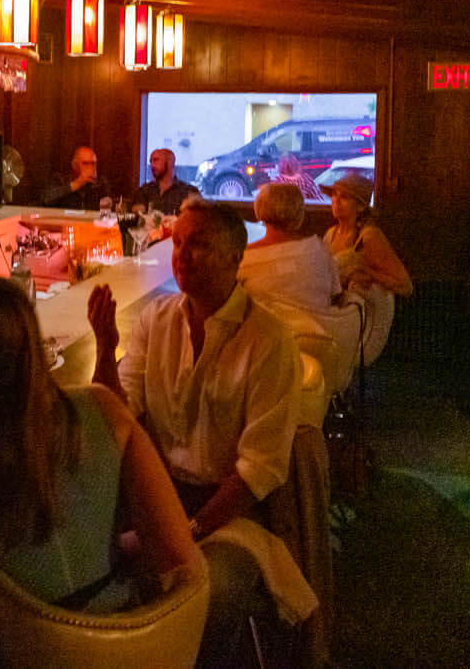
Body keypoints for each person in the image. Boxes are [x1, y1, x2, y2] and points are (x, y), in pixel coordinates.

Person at [0, 275, 202, 663]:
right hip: (128, 645)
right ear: (32, 339)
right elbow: (178, 553)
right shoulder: (105, 408)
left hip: (12, 652)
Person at [89, 199, 303, 667]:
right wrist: (106, 351)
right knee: (81, 561)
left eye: (200, 244)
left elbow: (258, 471)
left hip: (234, 514)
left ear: (235, 258)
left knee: (203, 597)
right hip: (159, 496)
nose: (182, 254)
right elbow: (118, 416)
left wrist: (187, 531)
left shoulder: (268, 340)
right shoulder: (156, 320)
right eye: (179, 242)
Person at [322, 170, 412, 366]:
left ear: (361, 206)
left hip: (363, 325)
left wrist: (369, 274)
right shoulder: (330, 234)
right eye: (334, 195)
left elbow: (405, 285)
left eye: (344, 197)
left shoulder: (368, 236)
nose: (336, 202)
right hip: (337, 312)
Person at [239, 182, 342, 313]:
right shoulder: (320, 250)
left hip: (264, 332)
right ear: (300, 213)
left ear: (259, 210)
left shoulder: (244, 259)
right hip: (318, 331)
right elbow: (335, 294)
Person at [132, 147, 200, 217]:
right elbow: (136, 219)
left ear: (170, 162)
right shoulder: (144, 191)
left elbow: (196, 221)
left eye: (156, 160)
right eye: (150, 161)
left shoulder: (189, 192)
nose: (152, 165)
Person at [45, 144, 113, 211]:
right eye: (85, 163)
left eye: (93, 163)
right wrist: (77, 183)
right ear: (75, 165)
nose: (90, 167)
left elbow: (109, 209)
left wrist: (96, 187)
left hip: (90, 221)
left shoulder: (101, 183)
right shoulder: (60, 179)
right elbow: (46, 200)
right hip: (67, 221)